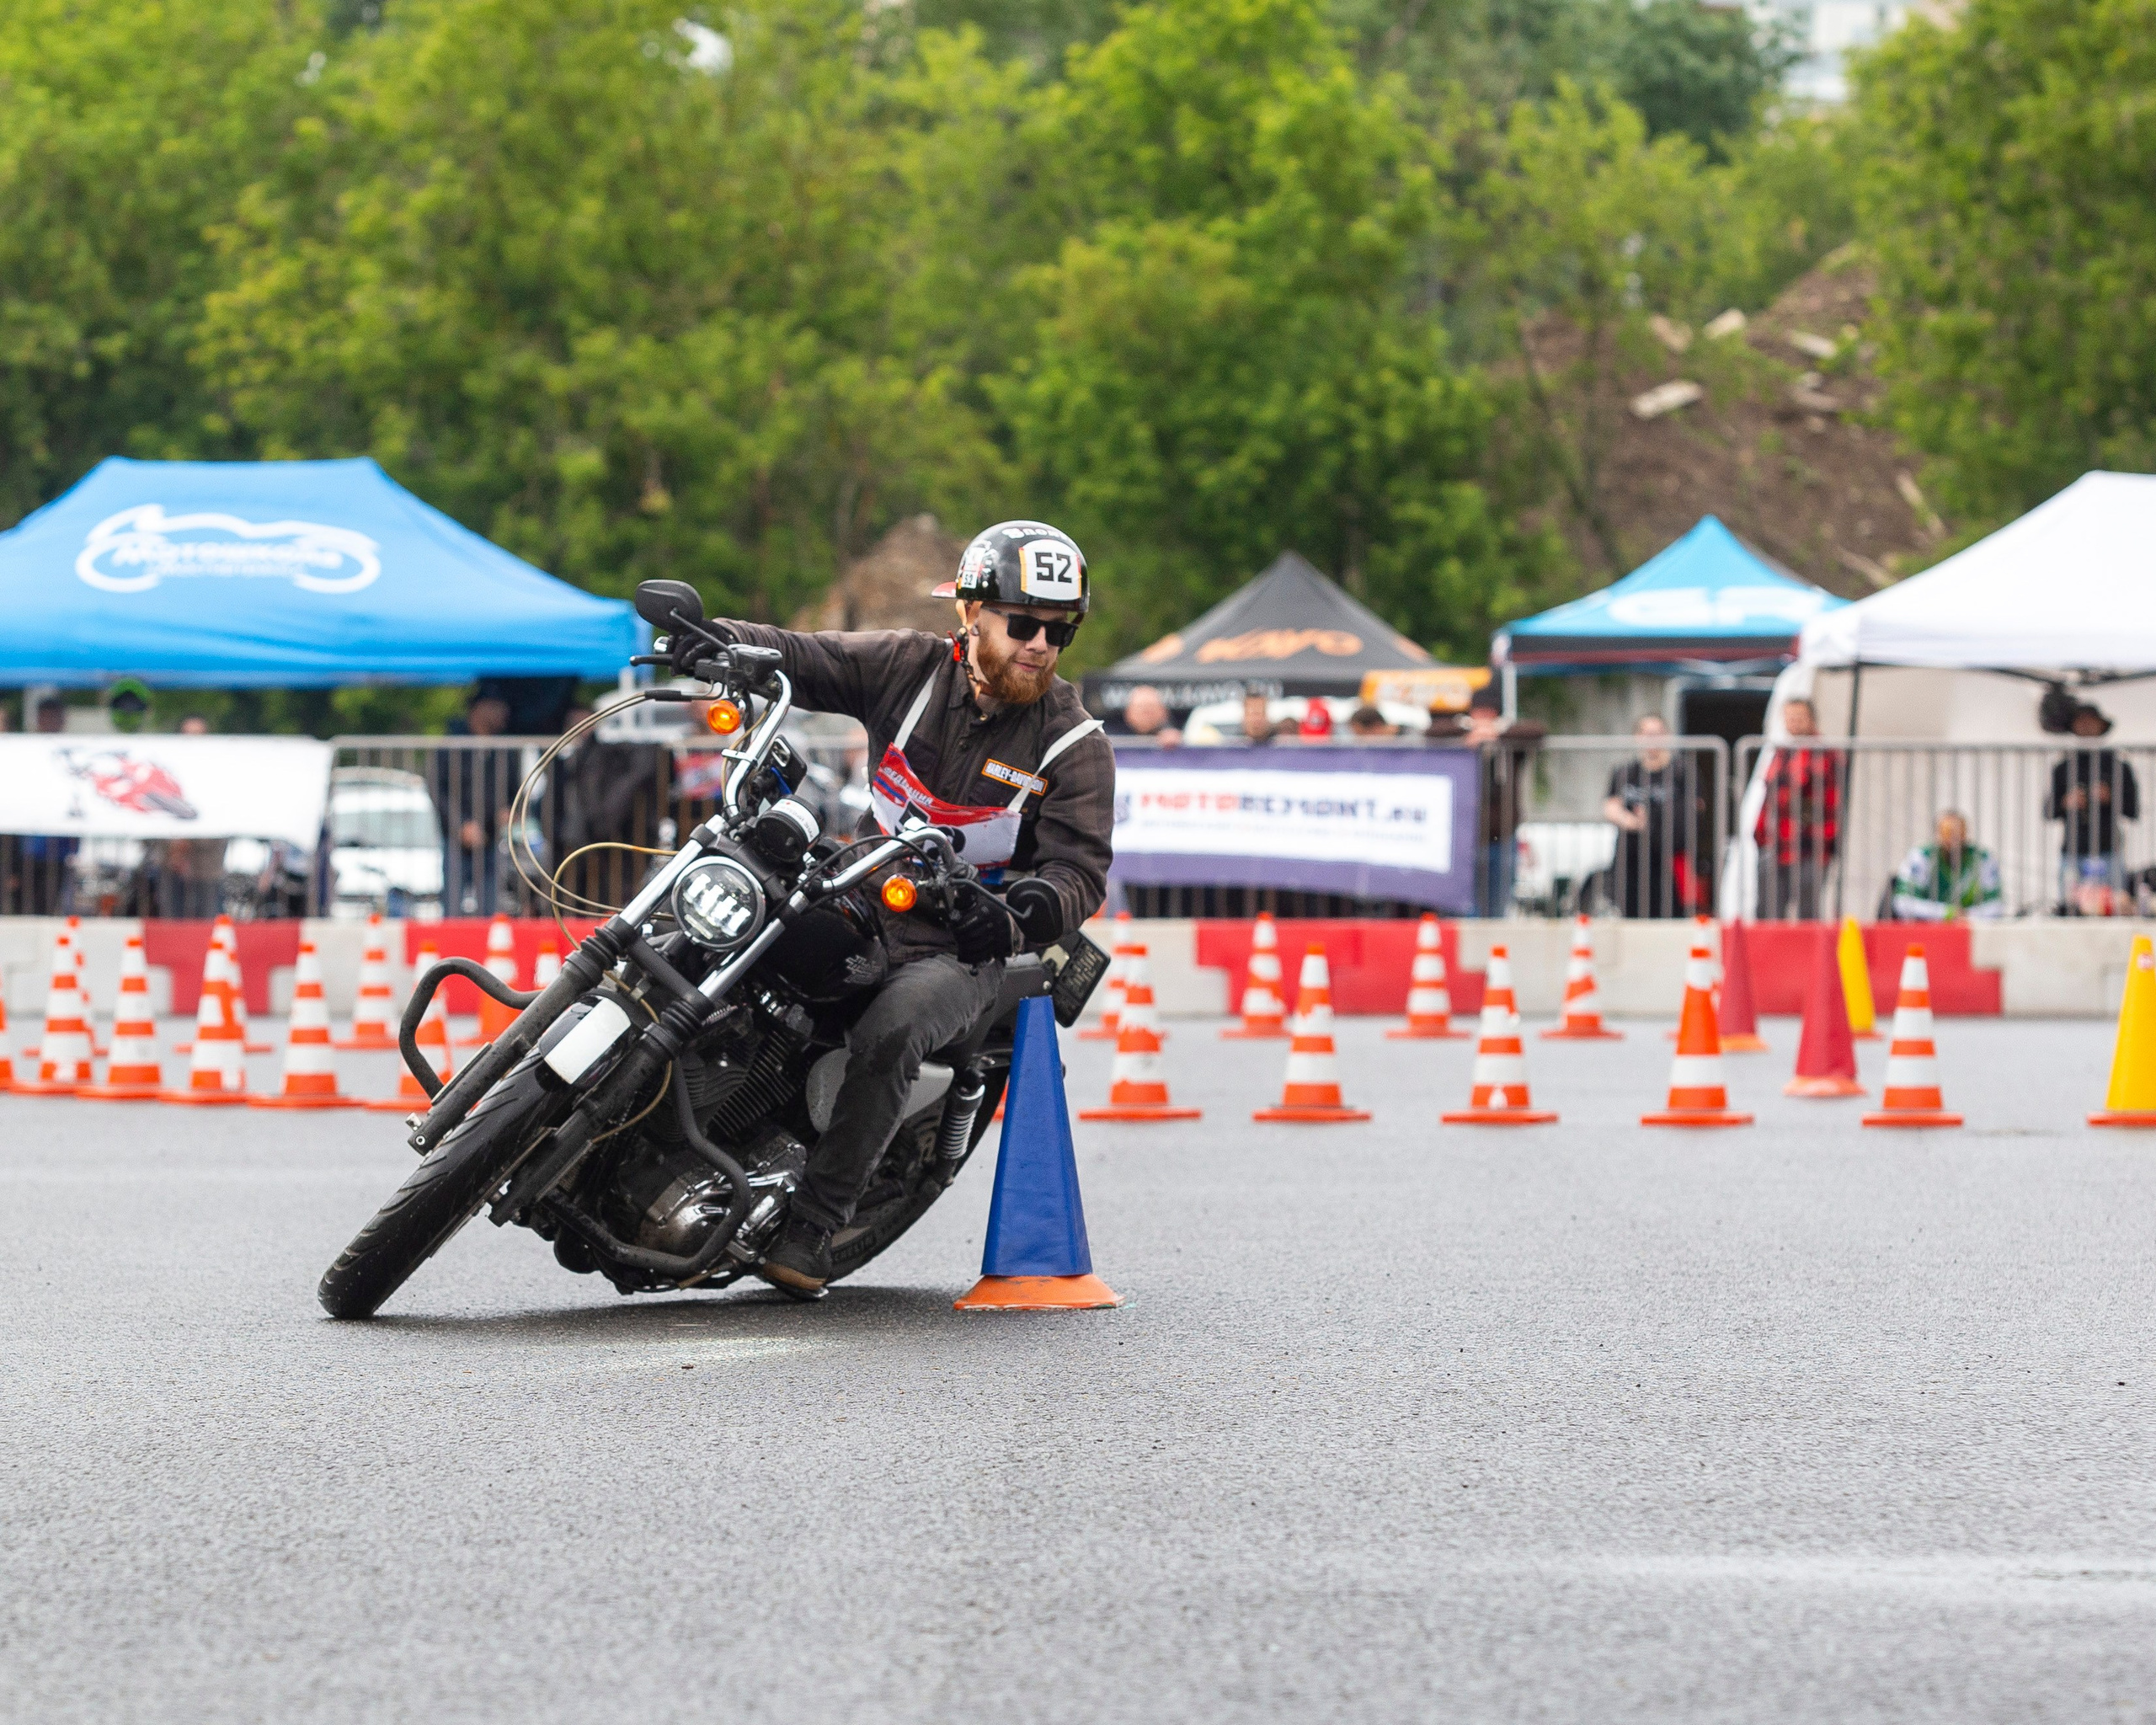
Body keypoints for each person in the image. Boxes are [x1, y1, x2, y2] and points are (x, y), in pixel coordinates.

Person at [702, 520, 1113, 1294]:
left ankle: (814, 1227)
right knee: (729, 910)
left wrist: (1021, 915)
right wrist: (711, 639)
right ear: (970, 614)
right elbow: (798, 653)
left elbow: (1080, 872)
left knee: (894, 1028)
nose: (1040, 645)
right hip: (855, 892)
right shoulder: (909, 668)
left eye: (1059, 632)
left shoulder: (1073, 742)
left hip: (960, 949)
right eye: (1022, 624)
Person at [1432, 690, 1545, 917]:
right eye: (1480, 713)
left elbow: (1538, 731)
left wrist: (1497, 735)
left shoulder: (1510, 743)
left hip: (1501, 837)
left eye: (1490, 713)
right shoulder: (1461, 736)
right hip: (1463, 837)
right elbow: (1432, 732)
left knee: (1496, 907)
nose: (1484, 717)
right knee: (1461, 907)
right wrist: (1468, 735)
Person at [1601, 714, 1704, 918]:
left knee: (1670, 918)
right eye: (1648, 734)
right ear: (1638, 737)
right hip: (1630, 859)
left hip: (1669, 860)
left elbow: (1696, 808)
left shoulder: (1682, 771)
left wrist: (1657, 822)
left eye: (1657, 734)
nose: (1652, 739)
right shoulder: (1624, 772)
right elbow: (1610, 807)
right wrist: (1633, 822)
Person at [1753, 696, 1843, 920]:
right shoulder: (1782, 751)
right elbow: (1769, 796)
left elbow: (1833, 801)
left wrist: (1830, 838)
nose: (1793, 722)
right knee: (1769, 910)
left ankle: (1807, 955)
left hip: (1811, 845)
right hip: (1777, 843)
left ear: (1812, 719)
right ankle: (1772, 954)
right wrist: (1760, 830)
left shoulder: (1826, 753)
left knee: (1807, 912)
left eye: (1799, 717)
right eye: (1789, 718)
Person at [2047, 702, 2138, 914]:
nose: (2087, 727)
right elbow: (2048, 811)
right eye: (2082, 722)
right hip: (2073, 850)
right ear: (2074, 727)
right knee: (2071, 910)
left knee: (2115, 908)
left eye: (2091, 722)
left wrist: (2110, 798)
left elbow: (2133, 810)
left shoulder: (2118, 765)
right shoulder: (2063, 767)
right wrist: (2066, 802)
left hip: (2109, 849)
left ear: (2101, 726)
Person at [432, 692, 514, 915]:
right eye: (496, 706)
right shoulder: (451, 744)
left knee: (491, 906)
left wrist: (509, 810)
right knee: (453, 906)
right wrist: (461, 825)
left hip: (490, 836)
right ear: (479, 708)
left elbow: (515, 787)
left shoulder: (504, 747)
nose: (503, 713)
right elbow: (438, 789)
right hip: (457, 838)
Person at [1890, 810, 2002, 921]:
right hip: (1927, 930)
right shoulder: (1922, 857)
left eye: (1959, 832)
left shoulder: (1983, 859)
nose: (1954, 839)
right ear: (1938, 833)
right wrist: (1946, 912)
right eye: (1948, 833)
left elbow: (1997, 905)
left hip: (1970, 927)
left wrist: (1967, 916)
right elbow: (1903, 903)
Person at [1108, 684, 1181, 747]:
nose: (1146, 714)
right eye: (1140, 707)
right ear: (1128, 713)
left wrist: (1177, 740)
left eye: (1151, 707)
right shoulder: (1111, 737)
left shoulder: (1172, 738)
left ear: (1164, 712)